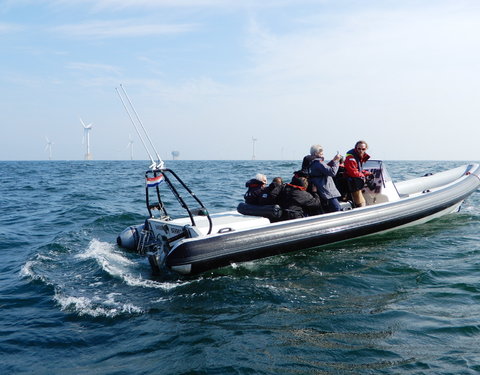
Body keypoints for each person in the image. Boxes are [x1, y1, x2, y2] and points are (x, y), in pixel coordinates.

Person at [308, 144, 343, 212]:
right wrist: (336, 161)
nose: (323, 153)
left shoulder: (313, 163)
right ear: (316, 153)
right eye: (321, 151)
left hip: (321, 189)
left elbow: (325, 167)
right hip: (326, 191)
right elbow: (332, 172)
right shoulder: (318, 163)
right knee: (337, 208)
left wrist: (333, 160)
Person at [344, 140, 371, 207]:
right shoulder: (351, 157)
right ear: (356, 148)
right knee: (361, 202)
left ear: (366, 149)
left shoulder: (359, 157)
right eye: (359, 149)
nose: (361, 150)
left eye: (363, 149)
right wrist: (363, 175)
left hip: (356, 181)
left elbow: (358, 170)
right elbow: (353, 172)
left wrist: (367, 173)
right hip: (352, 182)